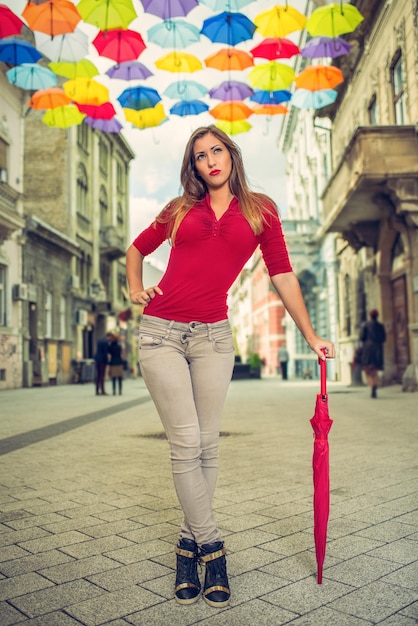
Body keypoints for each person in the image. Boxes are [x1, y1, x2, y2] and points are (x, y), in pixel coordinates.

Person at [126, 125, 335, 609]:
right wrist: (134, 289)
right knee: (184, 443)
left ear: (231, 154)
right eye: (200, 156)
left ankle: (186, 546)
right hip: (161, 332)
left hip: (215, 338)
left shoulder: (261, 210)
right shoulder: (180, 210)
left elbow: (281, 272)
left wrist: (311, 335)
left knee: (206, 444)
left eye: (216, 150)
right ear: (194, 167)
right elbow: (136, 249)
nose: (210, 161)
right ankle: (213, 549)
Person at [360, 309, 386, 398]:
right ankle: (375, 384)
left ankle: (372, 385)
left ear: (370, 316)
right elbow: (383, 338)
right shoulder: (380, 326)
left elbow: (361, 337)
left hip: (367, 349)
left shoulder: (365, 325)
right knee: (374, 370)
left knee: (367, 370)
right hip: (377, 349)